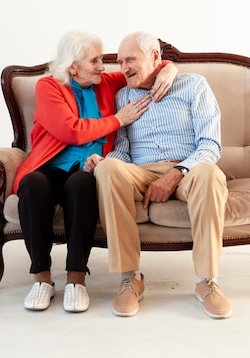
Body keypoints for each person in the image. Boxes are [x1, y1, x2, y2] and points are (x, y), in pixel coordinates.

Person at [13, 31, 178, 313]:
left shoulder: (104, 83)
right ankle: (41, 279)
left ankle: (76, 279)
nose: (104, 66)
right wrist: (117, 119)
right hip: (51, 167)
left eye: (102, 59)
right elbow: (71, 130)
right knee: (32, 185)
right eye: (95, 60)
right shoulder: (48, 86)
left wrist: (171, 70)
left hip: (89, 169)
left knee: (82, 185)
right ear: (72, 66)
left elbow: (152, 65)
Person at [85, 31, 231, 319]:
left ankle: (207, 281)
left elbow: (210, 144)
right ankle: (130, 278)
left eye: (131, 59)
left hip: (188, 167)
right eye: (120, 61)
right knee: (108, 168)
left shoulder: (193, 85)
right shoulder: (122, 96)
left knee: (210, 174)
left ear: (155, 58)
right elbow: (123, 150)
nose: (124, 67)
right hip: (140, 170)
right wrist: (103, 162)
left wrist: (177, 173)